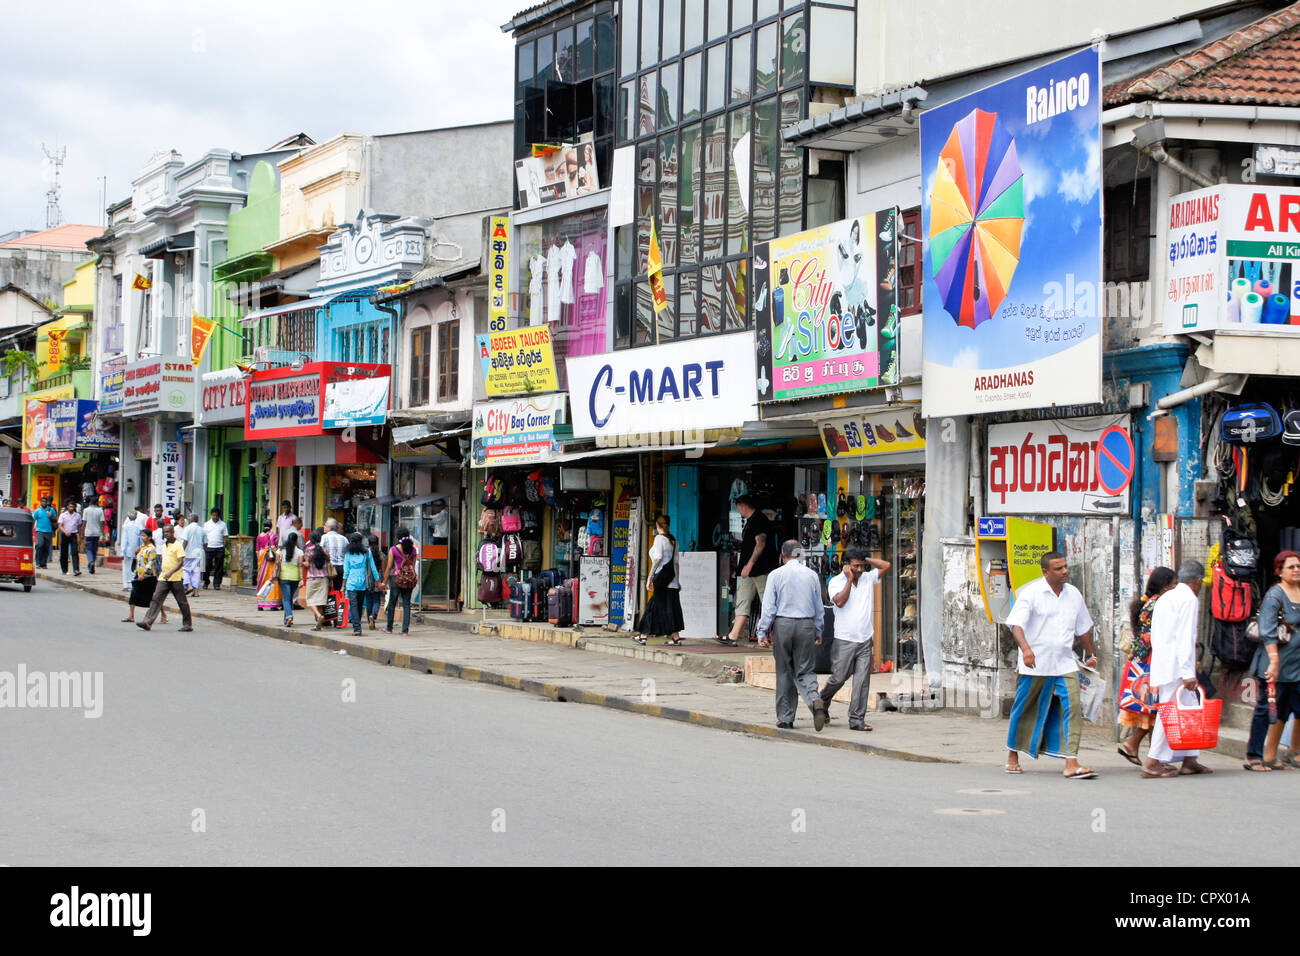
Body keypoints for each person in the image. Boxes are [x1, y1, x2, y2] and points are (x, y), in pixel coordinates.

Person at [1004, 551, 1100, 779]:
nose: (1065, 571)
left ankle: (1071, 762)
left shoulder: (1074, 594)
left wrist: (1091, 654)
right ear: (1045, 572)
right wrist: (1026, 650)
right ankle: (1012, 756)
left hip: (1066, 663)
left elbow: (1083, 627)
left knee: (1073, 709)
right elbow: (1016, 624)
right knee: (1024, 709)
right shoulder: (1031, 593)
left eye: (1065, 567)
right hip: (1035, 664)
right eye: (1058, 568)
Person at [1145, 560, 1213, 777]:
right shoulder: (1189, 599)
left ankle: (1190, 758)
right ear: (1197, 581)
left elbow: (1158, 635)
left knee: (1188, 710)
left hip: (1164, 663)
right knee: (1171, 713)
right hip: (1176, 667)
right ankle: (1153, 761)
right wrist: (1187, 672)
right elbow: (1186, 637)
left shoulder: (1166, 597)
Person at [757, 541, 828, 731]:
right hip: (806, 624)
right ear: (800, 554)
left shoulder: (775, 575)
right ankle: (815, 700)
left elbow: (769, 608)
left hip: (783, 625)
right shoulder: (812, 575)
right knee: (805, 670)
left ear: (782, 554)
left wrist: (762, 631)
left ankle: (786, 718)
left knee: (784, 671)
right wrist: (819, 630)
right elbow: (819, 607)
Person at [820, 546, 892, 732]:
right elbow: (840, 602)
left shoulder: (868, 578)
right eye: (855, 566)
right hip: (844, 639)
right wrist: (850, 579)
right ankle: (822, 700)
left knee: (862, 681)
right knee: (839, 678)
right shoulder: (836, 581)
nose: (859, 570)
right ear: (846, 566)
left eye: (861, 566)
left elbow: (886, 565)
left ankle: (857, 719)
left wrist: (866, 559)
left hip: (865, 639)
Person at [1243, 551, 1300, 771]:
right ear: (1279, 571)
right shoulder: (1275, 596)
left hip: (1296, 665)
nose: (1296, 570)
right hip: (1275, 664)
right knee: (1265, 709)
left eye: (1298, 566)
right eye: (1291, 567)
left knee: (1287, 710)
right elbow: (1267, 631)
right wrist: (1274, 662)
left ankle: (1277, 755)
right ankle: (1254, 756)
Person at [1117, 567, 1177, 767]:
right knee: (1153, 708)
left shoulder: (1150, 603)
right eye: (1174, 584)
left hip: (1143, 663)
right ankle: (1151, 755)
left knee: (1151, 710)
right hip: (1150, 663)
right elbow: (1155, 635)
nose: (1176, 588)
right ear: (1166, 586)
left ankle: (1140, 749)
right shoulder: (1158, 604)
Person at [715, 495, 778, 646]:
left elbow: (760, 544)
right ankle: (733, 635)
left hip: (761, 569)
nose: (738, 510)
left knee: (769, 602)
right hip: (750, 572)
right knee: (742, 600)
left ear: (743, 506)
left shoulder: (759, 520)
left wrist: (749, 565)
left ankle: (781, 636)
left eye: (738, 507)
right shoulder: (751, 521)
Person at [634, 514, 685, 647]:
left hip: (661, 579)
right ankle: (676, 638)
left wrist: (650, 578)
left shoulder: (659, 539)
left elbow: (657, 559)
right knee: (671, 608)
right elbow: (676, 563)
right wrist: (677, 581)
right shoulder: (674, 541)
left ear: (658, 525)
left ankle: (643, 636)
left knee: (653, 607)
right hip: (672, 580)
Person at [138, 524, 192, 631]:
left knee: (182, 601)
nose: (165, 534)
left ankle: (188, 624)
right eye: (164, 532)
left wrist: (171, 572)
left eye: (168, 532)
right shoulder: (164, 545)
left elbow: (181, 562)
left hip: (175, 578)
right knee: (156, 599)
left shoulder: (178, 545)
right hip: (164, 577)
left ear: (173, 533)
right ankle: (147, 622)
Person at [343, 532, 382, 636]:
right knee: (360, 605)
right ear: (361, 541)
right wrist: (378, 581)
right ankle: (357, 624)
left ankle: (357, 628)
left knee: (354, 605)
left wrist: (343, 585)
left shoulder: (348, 553)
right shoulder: (366, 552)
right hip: (362, 582)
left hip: (351, 582)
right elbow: (373, 568)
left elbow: (346, 571)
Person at [122, 533, 166, 625]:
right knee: (133, 594)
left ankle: (163, 614)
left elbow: (150, 563)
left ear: (149, 537)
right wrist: (136, 553)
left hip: (149, 576)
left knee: (154, 597)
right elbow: (138, 560)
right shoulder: (141, 547)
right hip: (139, 574)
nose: (143, 538)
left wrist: (143, 573)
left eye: (144, 536)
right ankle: (131, 616)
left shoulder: (152, 549)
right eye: (142, 536)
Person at [382, 528, 419, 635]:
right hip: (409, 579)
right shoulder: (414, 550)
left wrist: (384, 581)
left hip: (396, 578)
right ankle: (405, 631)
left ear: (397, 538)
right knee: (407, 604)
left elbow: (389, 567)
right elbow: (412, 565)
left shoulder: (393, 549)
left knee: (392, 603)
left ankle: (389, 629)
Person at [274, 532, 305, 626]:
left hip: (283, 576)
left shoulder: (281, 550)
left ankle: (289, 616)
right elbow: (300, 566)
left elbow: (276, 563)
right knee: (289, 598)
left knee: (286, 599)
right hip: (295, 577)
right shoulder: (300, 552)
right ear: (296, 541)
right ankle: (286, 619)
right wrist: (301, 578)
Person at [304, 530, 331, 630]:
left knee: (310, 600)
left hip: (312, 578)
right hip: (324, 578)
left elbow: (306, 564)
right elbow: (329, 562)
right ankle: (319, 624)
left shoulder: (308, 550)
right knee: (320, 601)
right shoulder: (324, 550)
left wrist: (303, 564)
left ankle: (319, 616)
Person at [200, 508, 229, 590]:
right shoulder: (207, 524)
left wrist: (224, 545)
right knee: (207, 566)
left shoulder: (223, 524)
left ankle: (217, 583)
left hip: (219, 547)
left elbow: (225, 536)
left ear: (218, 515)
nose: (214, 517)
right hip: (209, 547)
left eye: (216, 515)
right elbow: (204, 536)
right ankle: (206, 581)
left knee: (219, 567)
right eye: (213, 515)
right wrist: (205, 545)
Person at [255, 526, 282, 612]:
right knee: (273, 581)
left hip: (262, 560)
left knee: (262, 582)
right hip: (271, 562)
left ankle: (260, 604)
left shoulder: (259, 536)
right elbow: (273, 547)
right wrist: (278, 555)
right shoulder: (273, 535)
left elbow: (257, 550)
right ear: (271, 527)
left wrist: (260, 562)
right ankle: (272, 604)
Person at [119, 506, 143, 591]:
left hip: (127, 551)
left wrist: (122, 552)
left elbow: (124, 540)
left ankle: (126, 584)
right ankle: (132, 583)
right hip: (137, 550)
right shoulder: (139, 527)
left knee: (126, 567)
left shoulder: (126, 527)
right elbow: (141, 539)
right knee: (134, 567)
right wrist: (140, 548)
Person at [180, 513, 205, 597]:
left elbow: (185, 541)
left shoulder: (187, 529)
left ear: (190, 520)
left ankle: (189, 586)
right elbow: (206, 543)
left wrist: (181, 552)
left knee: (186, 570)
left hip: (188, 553)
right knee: (196, 572)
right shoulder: (202, 529)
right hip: (198, 554)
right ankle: (196, 592)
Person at [321, 517, 348, 593]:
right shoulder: (344, 538)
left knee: (328, 590)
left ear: (330, 527)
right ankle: (338, 603)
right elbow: (347, 553)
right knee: (339, 589)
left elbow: (321, 551)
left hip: (331, 567)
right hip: (342, 567)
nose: (324, 527)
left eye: (325, 525)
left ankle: (330, 604)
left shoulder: (324, 537)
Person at [57, 500, 82, 576]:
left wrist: (80, 536)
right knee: (64, 553)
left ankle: (76, 569)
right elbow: (60, 526)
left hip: (73, 534)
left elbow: (79, 526)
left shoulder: (77, 515)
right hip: (65, 534)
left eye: (72, 506)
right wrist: (65, 532)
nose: (71, 508)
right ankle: (64, 569)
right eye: (70, 506)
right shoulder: (63, 515)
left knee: (75, 552)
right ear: (67, 507)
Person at [81, 497, 105, 574]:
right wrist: (103, 533)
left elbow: (84, 523)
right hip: (97, 533)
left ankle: (91, 561)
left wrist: (82, 533)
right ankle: (92, 563)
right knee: (94, 549)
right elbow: (102, 523)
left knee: (88, 549)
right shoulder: (100, 511)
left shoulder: (86, 510)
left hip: (88, 532)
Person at [32, 496, 56, 569]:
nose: (44, 503)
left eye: (45, 502)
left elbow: (55, 520)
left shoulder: (51, 510)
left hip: (49, 531)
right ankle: (38, 562)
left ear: (47, 502)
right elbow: (34, 519)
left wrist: (51, 516)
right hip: (40, 531)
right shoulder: (37, 511)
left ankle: (44, 563)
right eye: (42, 501)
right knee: (40, 545)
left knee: (46, 547)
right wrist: (31, 530)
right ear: (40, 502)